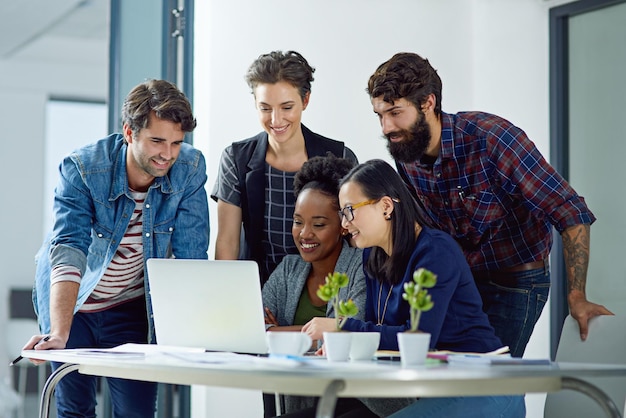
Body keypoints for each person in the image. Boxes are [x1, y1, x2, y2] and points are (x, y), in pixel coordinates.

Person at [365, 52, 612, 357]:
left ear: (427, 103)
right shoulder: (407, 152)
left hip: (516, 281)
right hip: (462, 282)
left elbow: (569, 210)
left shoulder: (492, 138)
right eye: (379, 115)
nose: (386, 127)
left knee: (490, 381)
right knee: (448, 377)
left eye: (395, 112)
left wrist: (577, 296)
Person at [26, 79, 209, 418]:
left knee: (136, 412)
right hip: (75, 305)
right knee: (75, 409)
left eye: (176, 142)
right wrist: (59, 332)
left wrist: (194, 336)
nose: (167, 154)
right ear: (129, 132)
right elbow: (69, 249)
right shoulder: (82, 168)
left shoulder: (190, 168)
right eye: (156, 141)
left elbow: (191, 257)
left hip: (130, 306)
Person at [302, 159, 525, 418]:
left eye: (350, 210)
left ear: (386, 206)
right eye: (342, 213)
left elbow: (419, 339)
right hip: (433, 390)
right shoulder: (372, 257)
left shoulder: (435, 251)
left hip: (485, 387)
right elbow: (381, 334)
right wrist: (346, 343)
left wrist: (343, 327)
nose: (344, 223)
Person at [212, 50, 358, 286]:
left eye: (286, 107)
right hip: (258, 292)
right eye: (265, 108)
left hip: (325, 293)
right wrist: (231, 303)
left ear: (306, 100)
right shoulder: (236, 159)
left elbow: (354, 240)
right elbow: (227, 243)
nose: (276, 120)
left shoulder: (340, 157)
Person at [263, 153, 370, 416]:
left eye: (319, 224)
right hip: (296, 398)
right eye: (298, 221)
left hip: (350, 400)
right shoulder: (289, 269)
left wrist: (277, 332)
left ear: (344, 226)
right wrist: (310, 332)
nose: (304, 233)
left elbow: (348, 334)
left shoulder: (361, 267)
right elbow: (255, 333)